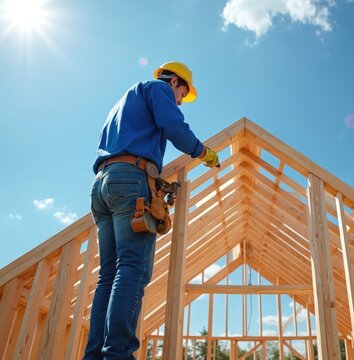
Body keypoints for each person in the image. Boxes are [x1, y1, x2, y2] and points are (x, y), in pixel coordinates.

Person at [83, 61, 218, 359]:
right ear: (175, 83)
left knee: (109, 274)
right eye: (183, 94)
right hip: (131, 181)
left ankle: (94, 354)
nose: (181, 100)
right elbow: (174, 127)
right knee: (133, 268)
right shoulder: (158, 89)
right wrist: (203, 152)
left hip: (102, 185)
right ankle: (117, 353)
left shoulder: (123, 103)